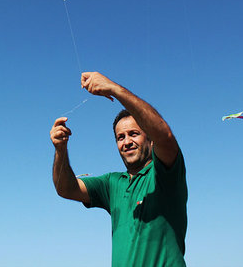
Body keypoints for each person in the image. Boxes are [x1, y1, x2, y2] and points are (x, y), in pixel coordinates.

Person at [50, 71, 187, 267]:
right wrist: (60, 150)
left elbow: (164, 135)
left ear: (149, 139)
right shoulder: (111, 184)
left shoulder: (166, 172)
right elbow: (66, 189)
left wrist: (114, 89)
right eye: (120, 137)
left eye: (134, 134)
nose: (127, 142)